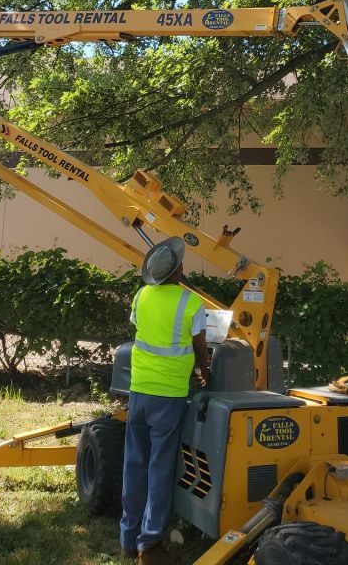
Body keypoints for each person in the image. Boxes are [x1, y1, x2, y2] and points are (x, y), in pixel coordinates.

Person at [120, 236, 210, 565]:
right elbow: (200, 347)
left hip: (140, 390)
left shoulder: (142, 295)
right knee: (159, 468)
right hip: (169, 396)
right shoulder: (191, 303)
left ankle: (127, 538)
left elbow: (142, 329)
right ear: (179, 269)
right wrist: (205, 369)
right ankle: (149, 542)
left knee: (134, 463)